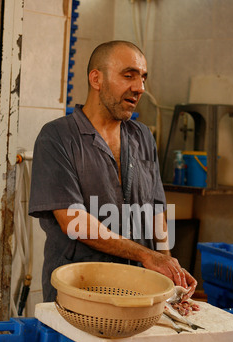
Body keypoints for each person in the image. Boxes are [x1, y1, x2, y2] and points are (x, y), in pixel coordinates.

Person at [29, 40, 197, 302]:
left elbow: (155, 208)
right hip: (80, 292)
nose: (139, 87)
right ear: (96, 79)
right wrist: (145, 255)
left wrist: (168, 272)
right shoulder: (57, 137)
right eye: (128, 75)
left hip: (139, 292)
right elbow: (74, 222)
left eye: (142, 78)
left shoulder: (142, 136)